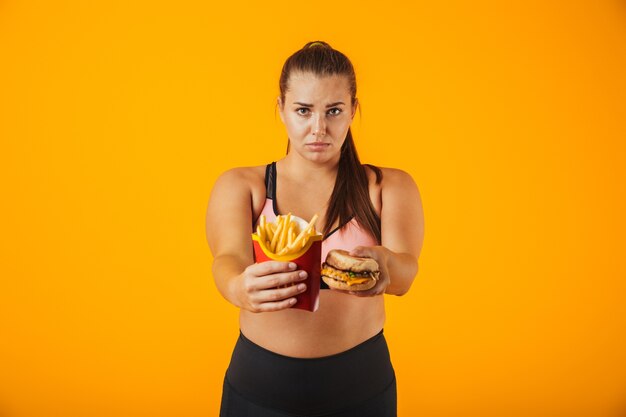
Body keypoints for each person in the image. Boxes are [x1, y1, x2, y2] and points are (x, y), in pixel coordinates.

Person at [206, 40, 424, 417]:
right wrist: (237, 287)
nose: (318, 128)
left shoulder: (388, 187)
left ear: (353, 110)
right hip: (259, 383)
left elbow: (406, 273)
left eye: (334, 111)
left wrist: (384, 264)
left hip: (362, 383)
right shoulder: (243, 186)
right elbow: (227, 259)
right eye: (303, 111)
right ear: (281, 109)